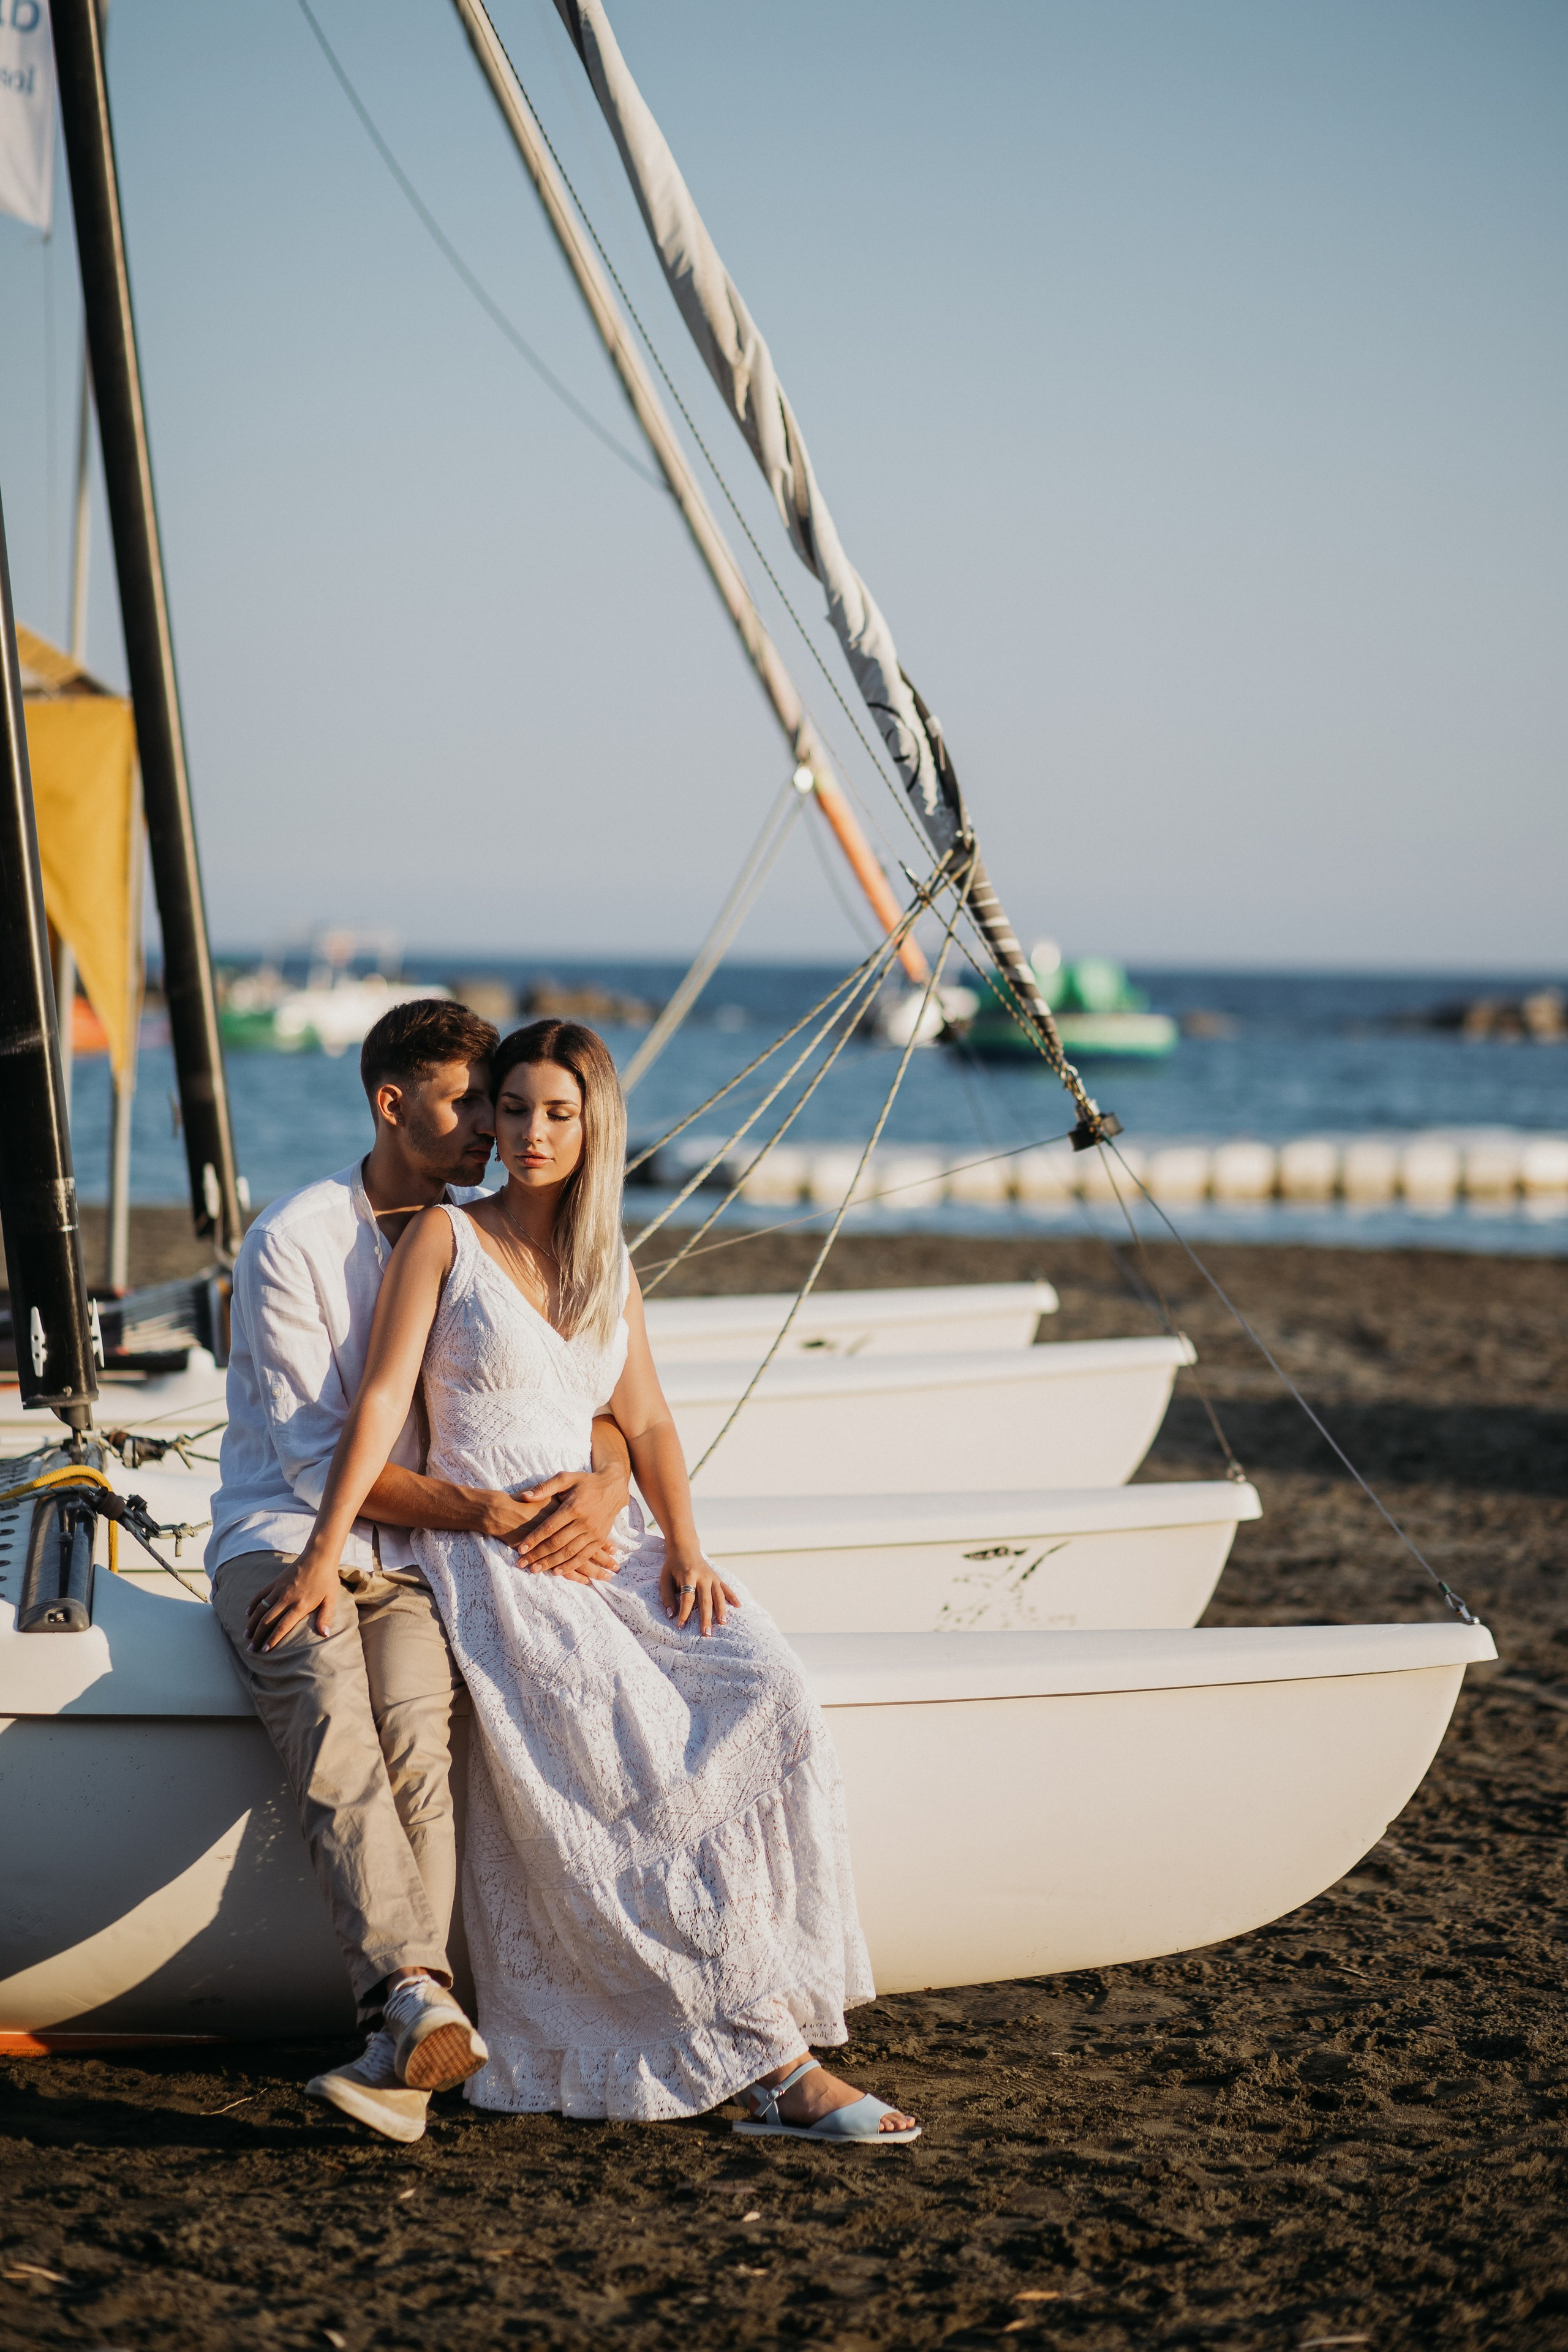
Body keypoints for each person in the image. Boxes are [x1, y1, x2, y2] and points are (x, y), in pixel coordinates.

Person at [268, 1018, 919, 2140]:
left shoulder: (606, 1261)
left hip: (612, 1550)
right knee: (637, 1743)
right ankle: (774, 2065)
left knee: (769, 1686)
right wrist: (323, 1554)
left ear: (593, 1126)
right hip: (497, 1559)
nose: (528, 1132)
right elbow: (377, 1404)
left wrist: (688, 1544)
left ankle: (765, 1996)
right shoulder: (444, 1237)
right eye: (512, 1108)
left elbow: (644, 1418)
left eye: (556, 1114)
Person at [207, 999, 634, 2145]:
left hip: (408, 1559)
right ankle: (408, 1989)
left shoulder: (476, 1236)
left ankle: (404, 2048)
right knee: (330, 1714)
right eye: (470, 1105)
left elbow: (578, 1397)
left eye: (503, 1105)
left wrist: (606, 1476)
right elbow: (316, 1463)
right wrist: (489, 1513)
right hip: (285, 1539)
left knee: (420, 1745)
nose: (495, 1129)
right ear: (393, 1105)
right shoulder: (296, 1241)